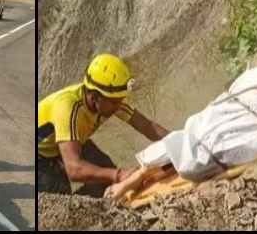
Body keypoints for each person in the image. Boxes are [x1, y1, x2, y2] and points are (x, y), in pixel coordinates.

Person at [37, 54, 169, 197]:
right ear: (94, 97)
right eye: (114, 102)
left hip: (68, 139)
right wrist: (119, 175)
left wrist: (176, 140)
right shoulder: (67, 107)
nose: (119, 106)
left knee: (105, 172)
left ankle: (95, 202)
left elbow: (145, 125)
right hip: (40, 154)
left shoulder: (108, 100)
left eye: (120, 100)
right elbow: (74, 169)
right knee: (60, 194)